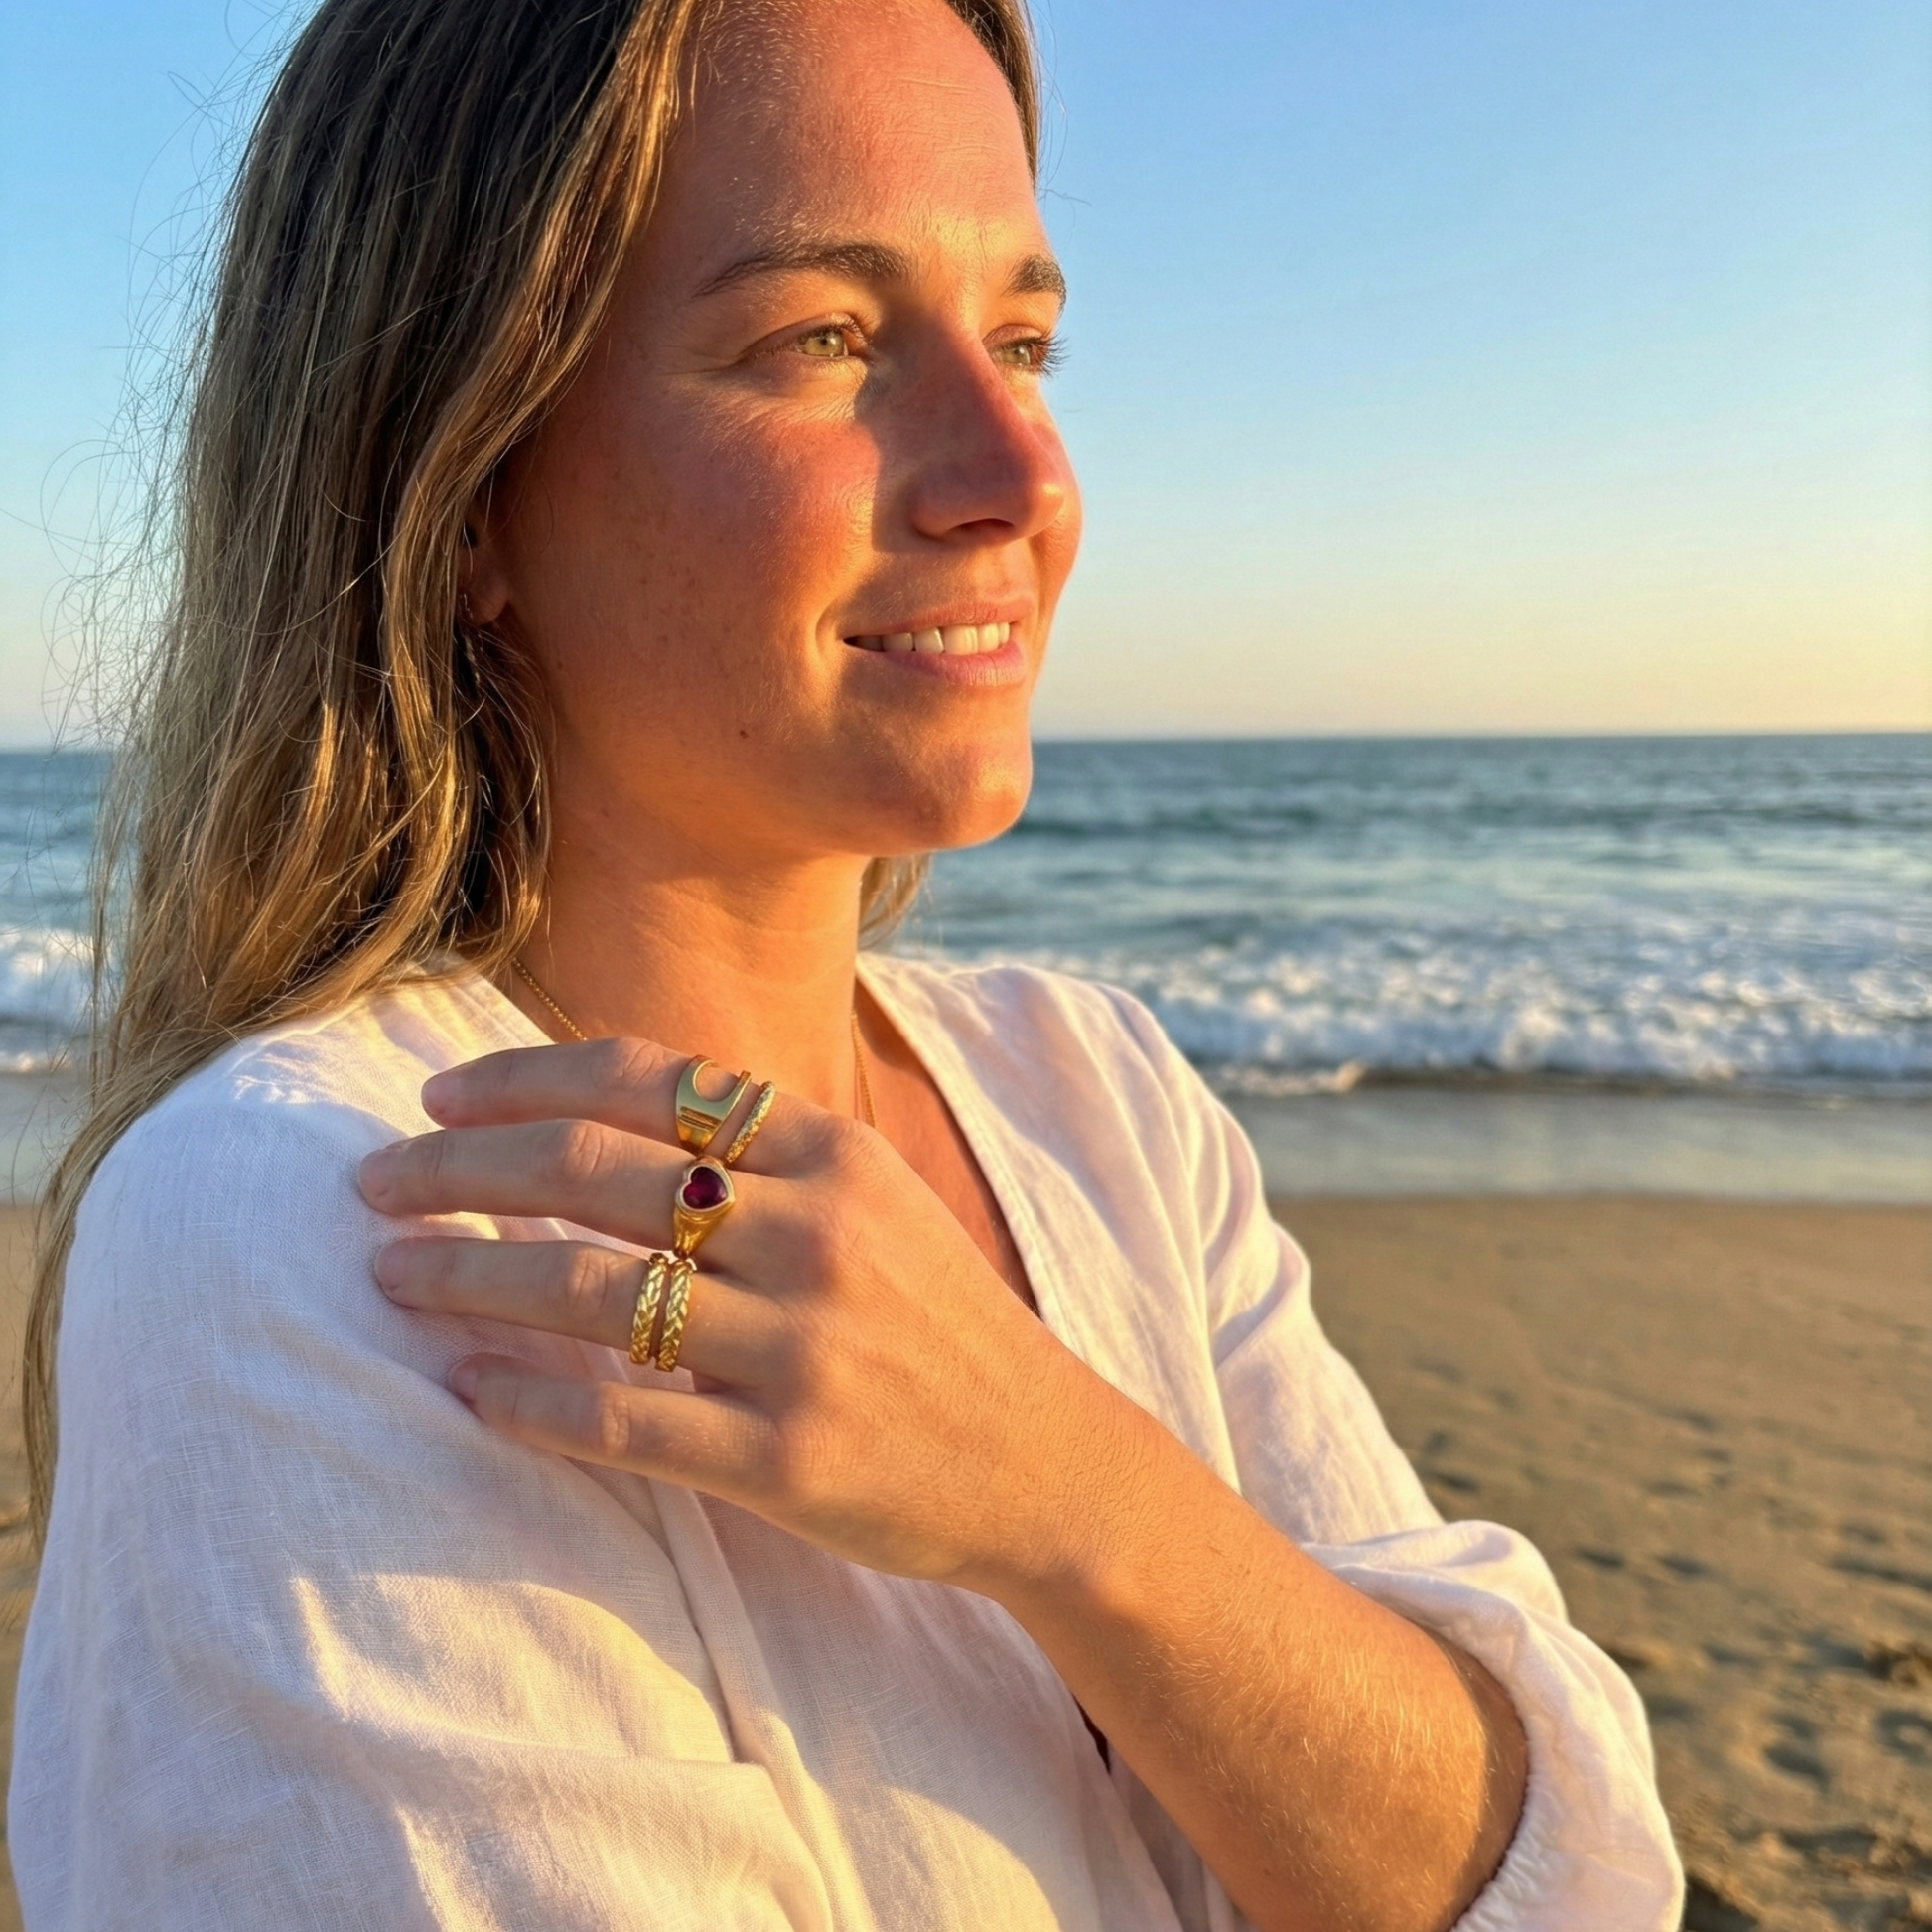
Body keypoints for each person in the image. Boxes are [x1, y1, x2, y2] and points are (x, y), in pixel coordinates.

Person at [10, 0, 1682, 1925]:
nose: (1021, 477)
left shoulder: (1092, 1092)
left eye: (1027, 340)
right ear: (465, 485)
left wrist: (1065, 1489)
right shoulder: (310, 1223)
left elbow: (1569, 1873)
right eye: (824, 338)